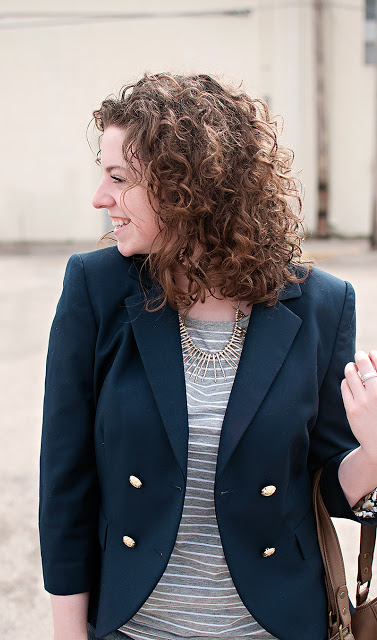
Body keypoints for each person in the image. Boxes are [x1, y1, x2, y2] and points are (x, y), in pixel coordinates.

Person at [39, 73, 377, 640]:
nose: (100, 198)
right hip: (134, 626)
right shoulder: (95, 289)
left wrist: (374, 448)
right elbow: (65, 485)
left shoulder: (322, 304)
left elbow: (326, 486)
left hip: (273, 626)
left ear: (184, 189)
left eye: (118, 178)